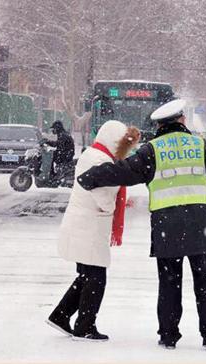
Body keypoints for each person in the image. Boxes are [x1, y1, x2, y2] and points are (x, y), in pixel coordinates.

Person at [77, 99, 206, 350]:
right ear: (182, 120)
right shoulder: (200, 146)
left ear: (160, 124)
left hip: (167, 227)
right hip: (200, 225)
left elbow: (123, 171)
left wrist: (90, 178)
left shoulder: (151, 150)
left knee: (169, 283)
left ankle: (168, 334)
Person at [46, 120, 140, 342]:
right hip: (89, 226)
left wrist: (119, 201)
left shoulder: (92, 154)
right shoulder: (100, 160)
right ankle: (85, 326)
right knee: (96, 278)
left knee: (87, 276)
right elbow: (103, 199)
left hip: (83, 224)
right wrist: (115, 202)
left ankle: (60, 316)